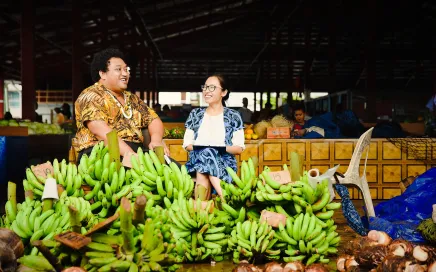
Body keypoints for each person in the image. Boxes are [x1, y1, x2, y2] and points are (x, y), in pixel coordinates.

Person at [72, 48, 169, 163]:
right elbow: (100, 131)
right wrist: (130, 155)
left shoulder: (132, 98)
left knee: (173, 168)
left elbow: (153, 119)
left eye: (126, 69)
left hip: (135, 150)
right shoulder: (91, 95)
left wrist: (156, 140)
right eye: (118, 69)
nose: (125, 74)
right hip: (100, 152)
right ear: (102, 74)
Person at [183, 74, 245, 200]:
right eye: (205, 87)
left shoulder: (234, 116)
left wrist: (217, 149)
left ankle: (201, 207)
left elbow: (239, 148)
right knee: (206, 154)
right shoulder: (195, 114)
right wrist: (206, 149)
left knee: (206, 160)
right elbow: (187, 145)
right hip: (196, 161)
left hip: (225, 163)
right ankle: (226, 198)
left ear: (223, 92)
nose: (206, 91)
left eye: (212, 87)